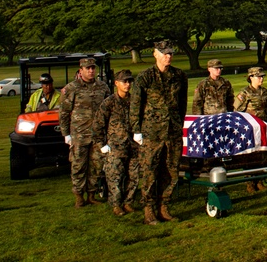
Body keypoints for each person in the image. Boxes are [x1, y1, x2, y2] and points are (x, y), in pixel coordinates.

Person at [130, 40, 188, 225]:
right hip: (152, 133)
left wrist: (178, 124)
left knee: (171, 171)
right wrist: (136, 130)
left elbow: (182, 104)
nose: (168, 56)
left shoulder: (179, 76)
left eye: (170, 53)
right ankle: (149, 210)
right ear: (155, 54)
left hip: (172, 132)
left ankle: (164, 207)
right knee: (149, 172)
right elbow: (135, 105)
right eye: (164, 53)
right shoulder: (145, 77)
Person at [59, 57, 110, 208]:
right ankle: (79, 196)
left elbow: (109, 108)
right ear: (80, 70)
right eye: (87, 68)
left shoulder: (103, 87)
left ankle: (92, 194)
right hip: (79, 135)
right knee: (78, 166)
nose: (91, 71)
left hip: (98, 135)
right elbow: (63, 112)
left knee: (96, 165)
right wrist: (66, 134)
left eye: (93, 68)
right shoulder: (71, 88)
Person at [92, 69, 139, 216]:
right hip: (116, 146)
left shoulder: (134, 102)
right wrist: (101, 145)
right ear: (116, 83)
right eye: (124, 81)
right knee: (115, 177)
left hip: (133, 146)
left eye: (129, 81)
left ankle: (128, 202)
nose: (127, 84)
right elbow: (98, 125)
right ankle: (116, 204)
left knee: (134, 176)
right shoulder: (109, 103)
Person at [234, 66, 267, 193]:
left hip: (263, 128)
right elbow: (236, 110)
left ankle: (260, 180)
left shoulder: (264, 91)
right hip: (250, 130)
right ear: (251, 78)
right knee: (250, 155)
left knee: (262, 154)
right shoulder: (244, 93)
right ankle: (249, 182)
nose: (261, 79)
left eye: (262, 76)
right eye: (258, 76)